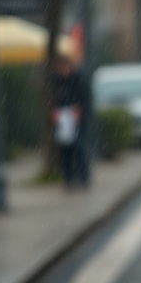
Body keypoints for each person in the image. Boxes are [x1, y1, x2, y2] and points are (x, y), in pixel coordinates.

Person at [51, 54, 91, 189]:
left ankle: (83, 176)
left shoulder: (78, 78)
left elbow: (85, 97)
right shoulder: (57, 80)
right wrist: (55, 111)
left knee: (79, 148)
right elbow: (54, 98)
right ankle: (68, 178)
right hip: (63, 118)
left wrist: (79, 109)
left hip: (76, 117)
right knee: (65, 150)